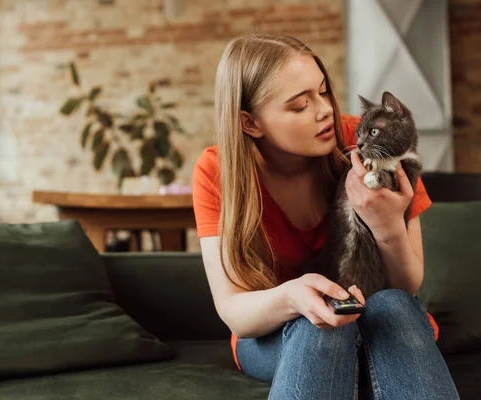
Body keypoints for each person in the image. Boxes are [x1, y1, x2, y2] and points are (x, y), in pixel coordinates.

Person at [192, 33, 459, 399]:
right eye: (300, 106)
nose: (325, 111)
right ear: (250, 123)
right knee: (317, 324)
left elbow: (406, 285)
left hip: (380, 313)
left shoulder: (362, 139)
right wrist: (292, 297)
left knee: (395, 305)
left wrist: (386, 227)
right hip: (274, 332)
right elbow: (234, 310)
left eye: (323, 91)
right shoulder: (218, 171)